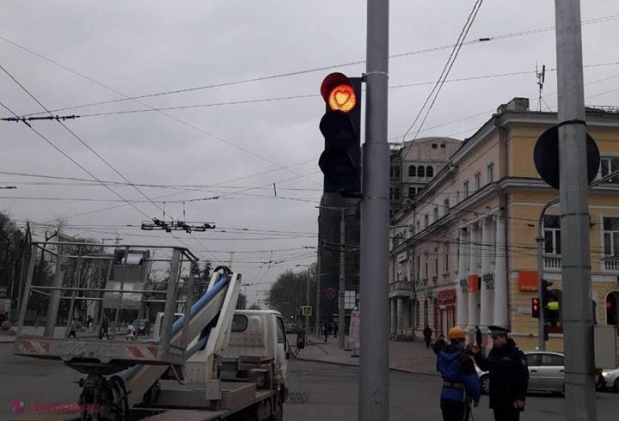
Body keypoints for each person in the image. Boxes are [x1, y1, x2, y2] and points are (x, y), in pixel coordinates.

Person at [472, 326, 529, 421]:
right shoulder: (494, 352)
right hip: (497, 399)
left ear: (503, 337)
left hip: (511, 398)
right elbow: (485, 366)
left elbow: (523, 377)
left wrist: (520, 397)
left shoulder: (515, 353)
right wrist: (477, 355)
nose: (493, 341)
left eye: (495, 338)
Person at [437, 326, 480, 421]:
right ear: (458, 341)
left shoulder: (442, 355)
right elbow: (472, 381)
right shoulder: (464, 358)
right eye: (463, 340)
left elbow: (439, 368)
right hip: (459, 397)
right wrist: (476, 397)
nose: (464, 343)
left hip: (445, 395)